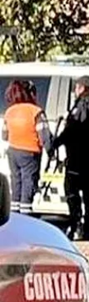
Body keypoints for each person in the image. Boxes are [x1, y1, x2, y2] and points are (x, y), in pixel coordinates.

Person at [48, 76, 89, 241]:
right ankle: (88, 230)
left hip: (77, 157)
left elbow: (73, 131)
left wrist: (56, 143)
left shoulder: (82, 105)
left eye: (77, 87)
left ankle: (75, 226)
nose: (75, 90)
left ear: (83, 88)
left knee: (72, 192)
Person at [2, 81, 50, 216]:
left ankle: (14, 214)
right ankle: (25, 214)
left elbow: (4, 135)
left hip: (13, 152)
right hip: (30, 152)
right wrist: (51, 150)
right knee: (28, 183)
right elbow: (44, 137)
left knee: (16, 182)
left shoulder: (10, 111)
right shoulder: (36, 112)